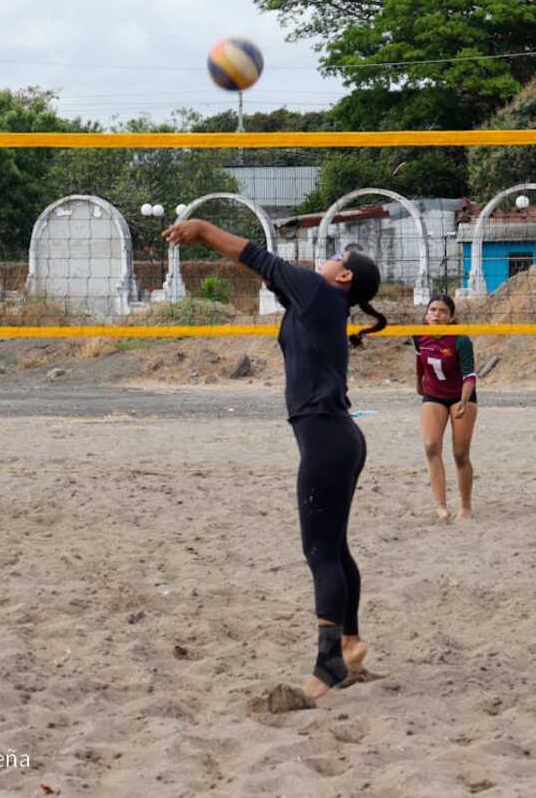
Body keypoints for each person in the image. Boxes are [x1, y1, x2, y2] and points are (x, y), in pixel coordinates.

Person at [162, 219, 386, 701]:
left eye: (336, 259)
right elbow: (268, 276)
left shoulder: (317, 292)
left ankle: (328, 666)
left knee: (321, 553)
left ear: (343, 277)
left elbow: (256, 256)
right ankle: (350, 643)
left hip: (327, 437)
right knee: (336, 548)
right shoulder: (317, 303)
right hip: (340, 436)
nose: (325, 261)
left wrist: (201, 228)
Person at [414, 294, 478, 522]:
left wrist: (463, 401)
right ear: (426, 314)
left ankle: (466, 506)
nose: (436, 315)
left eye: (442, 311)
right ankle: (440, 505)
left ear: (451, 317)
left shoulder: (461, 340)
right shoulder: (418, 335)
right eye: (432, 310)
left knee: (460, 454)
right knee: (431, 446)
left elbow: (470, 376)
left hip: (462, 395)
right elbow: (420, 362)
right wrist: (418, 384)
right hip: (434, 394)